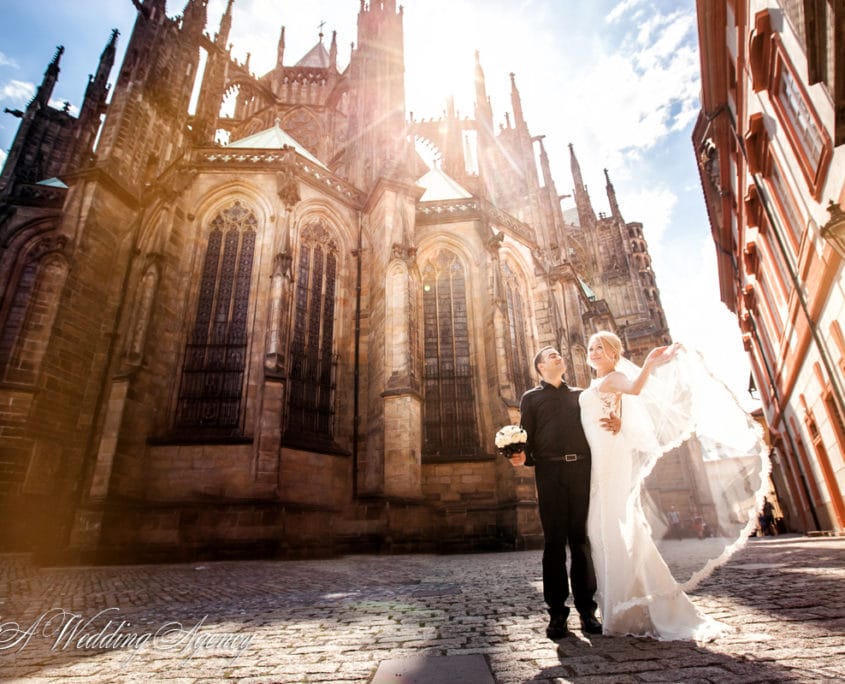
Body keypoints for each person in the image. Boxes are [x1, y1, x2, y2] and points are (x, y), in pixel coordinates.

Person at [580, 331, 757, 641]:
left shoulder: (616, 376)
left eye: (601, 348)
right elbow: (613, 407)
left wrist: (648, 363)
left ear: (613, 354)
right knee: (604, 529)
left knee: (609, 527)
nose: (594, 352)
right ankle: (623, 604)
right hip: (600, 453)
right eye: (591, 347)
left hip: (610, 455)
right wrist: (618, 420)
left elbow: (634, 389)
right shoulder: (598, 382)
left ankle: (624, 609)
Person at [507, 346, 619, 640]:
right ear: (541, 367)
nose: (559, 357)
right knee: (554, 543)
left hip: (581, 470)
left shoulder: (581, 395)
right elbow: (526, 437)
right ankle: (557, 614)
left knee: (580, 541)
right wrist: (520, 456)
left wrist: (617, 422)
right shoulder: (531, 398)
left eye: (559, 355)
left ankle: (587, 611)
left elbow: (602, 425)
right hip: (549, 472)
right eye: (551, 355)